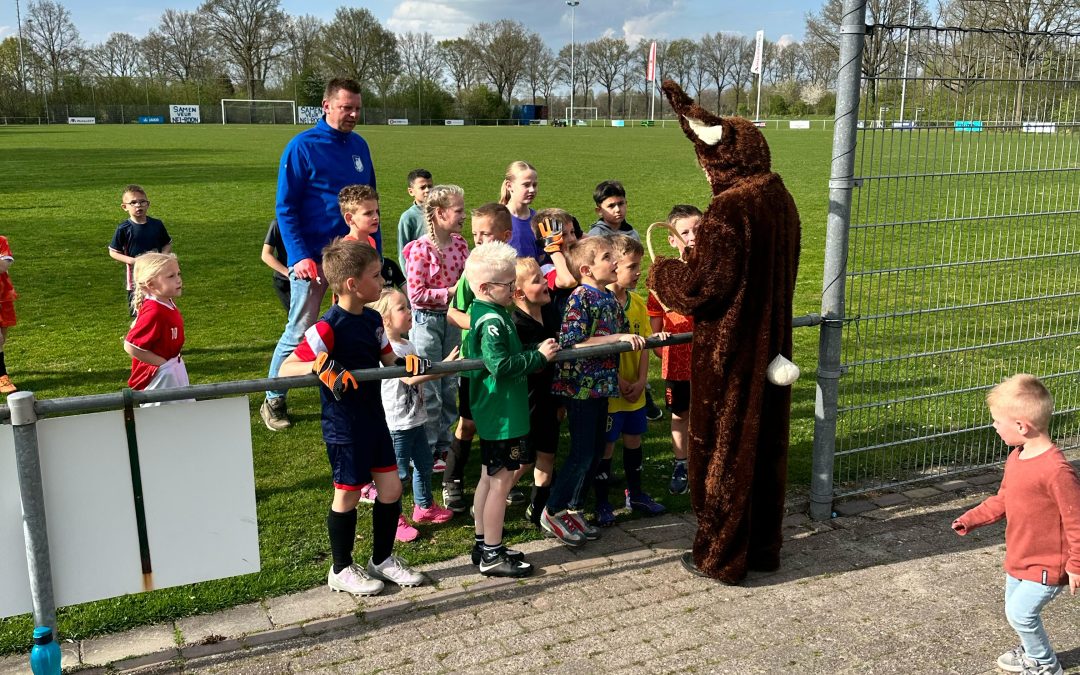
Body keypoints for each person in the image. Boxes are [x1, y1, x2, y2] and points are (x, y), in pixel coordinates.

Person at [278, 239, 425, 596]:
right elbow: (286, 368)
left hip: (375, 419)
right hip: (344, 425)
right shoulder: (327, 327)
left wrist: (412, 363)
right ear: (352, 284)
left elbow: (389, 360)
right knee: (347, 494)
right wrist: (318, 366)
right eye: (376, 276)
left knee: (391, 489)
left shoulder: (374, 319)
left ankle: (382, 559)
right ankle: (340, 569)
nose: (383, 282)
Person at [261, 77, 377, 432]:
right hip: (312, 260)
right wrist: (298, 255)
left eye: (357, 108)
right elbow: (286, 207)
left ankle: (347, 386)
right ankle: (273, 398)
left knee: (352, 326)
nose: (353, 114)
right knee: (300, 330)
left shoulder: (359, 146)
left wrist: (375, 255)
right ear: (326, 106)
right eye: (346, 108)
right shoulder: (302, 147)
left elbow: (371, 205)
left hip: (353, 259)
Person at [952, 374, 1080, 675]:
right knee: (1015, 612)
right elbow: (1004, 498)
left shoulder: (1056, 471)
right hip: (1020, 556)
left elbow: (1076, 520)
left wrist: (1076, 564)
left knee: (1021, 614)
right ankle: (1031, 650)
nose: (994, 426)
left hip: (1048, 562)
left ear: (1022, 426)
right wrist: (970, 518)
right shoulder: (1017, 456)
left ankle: (1045, 664)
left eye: (998, 421)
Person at [542, 237, 646, 547]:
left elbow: (626, 331)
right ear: (587, 269)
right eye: (607, 257)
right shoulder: (580, 297)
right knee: (582, 452)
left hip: (602, 387)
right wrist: (616, 338)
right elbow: (572, 342)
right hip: (580, 389)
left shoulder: (609, 297)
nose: (614, 262)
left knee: (596, 450)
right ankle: (553, 510)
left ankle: (573, 508)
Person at [464, 241, 558, 576]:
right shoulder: (492, 320)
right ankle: (492, 553)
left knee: (488, 479)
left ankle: (483, 544)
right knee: (501, 483)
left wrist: (533, 348)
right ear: (485, 288)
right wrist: (538, 358)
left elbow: (507, 353)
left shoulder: (491, 312)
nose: (513, 289)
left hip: (498, 412)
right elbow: (500, 365)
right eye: (507, 284)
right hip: (502, 413)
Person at [369, 288, 458, 539]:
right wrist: (443, 369)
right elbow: (409, 379)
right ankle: (394, 519)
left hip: (416, 420)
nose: (409, 312)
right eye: (402, 308)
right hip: (397, 425)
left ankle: (424, 506)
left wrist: (441, 365)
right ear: (385, 319)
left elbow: (420, 369)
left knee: (424, 463)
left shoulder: (408, 344)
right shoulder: (388, 352)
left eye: (408, 306)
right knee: (398, 475)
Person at [443, 203, 513, 511]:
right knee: (468, 423)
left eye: (486, 234)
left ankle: (499, 481)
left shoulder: (513, 269)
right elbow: (452, 313)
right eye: (475, 234)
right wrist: (483, 323)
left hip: (506, 361)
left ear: (506, 236)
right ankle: (452, 480)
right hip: (475, 363)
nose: (479, 240)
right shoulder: (474, 272)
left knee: (501, 423)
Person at [596, 235, 667, 526]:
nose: (639, 272)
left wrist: (640, 381)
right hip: (610, 391)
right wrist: (617, 380)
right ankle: (602, 503)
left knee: (634, 440)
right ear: (614, 265)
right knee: (607, 446)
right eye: (633, 266)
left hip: (634, 391)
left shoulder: (637, 302)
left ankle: (635, 494)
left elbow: (645, 346)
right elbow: (596, 349)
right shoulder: (599, 303)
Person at [402, 185, 469, 474]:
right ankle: (425, 449)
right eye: (459, 210)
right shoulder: (421, 249)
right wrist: (450, 292)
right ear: (440, 214)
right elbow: (415, 295)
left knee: (450, 383)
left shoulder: (460, 245)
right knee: (429, 385)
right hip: (427, 322)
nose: (464, 216)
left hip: (453, 320)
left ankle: (444, 444)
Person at [647, 205, 701, 495]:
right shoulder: (664, 276)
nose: (692, 237)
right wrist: (662, 344)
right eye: (685, 232)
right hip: (678, 362)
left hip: (710, 358)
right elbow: (655, 324)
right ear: (671, 239)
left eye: (698, 230)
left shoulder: (714, 270)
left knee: (712, 411)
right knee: (681, 414)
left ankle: (708, 460)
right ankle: (681, 463)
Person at [511, 257, 562, 527]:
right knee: (522, 461)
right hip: (525, 401)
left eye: (543, 278)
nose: (545, 284)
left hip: (549, 398)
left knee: (547, 454)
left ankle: (537, 509)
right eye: (537, 281)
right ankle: (490, 500)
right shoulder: (516, 324)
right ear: (519, 293)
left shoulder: (549, 311)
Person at [123, 253, 188, 402]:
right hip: (160, 377)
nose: (178, 279)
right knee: (166, 415)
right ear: (151, 285)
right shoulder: (155, 311)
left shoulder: (166, 302)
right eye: (171, 276)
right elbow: (130, 346)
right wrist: (164, 365)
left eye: (178, 274)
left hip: (173, 368)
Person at [109, 184, 172, 315]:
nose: (138, 205)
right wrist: (133, 261)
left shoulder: (157, 224)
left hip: (157, 274)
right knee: (139, 314)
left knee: (160, 310)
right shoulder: (124, 228)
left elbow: (167, 244)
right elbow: (113, 252)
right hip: (136, 278)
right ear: (124, 207)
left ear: (148, 204)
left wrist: (162, 258)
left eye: (142, 201)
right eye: (133, 203)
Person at [499, 161, 540, 259]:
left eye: (534, 185)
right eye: (526, 185)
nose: (532, 190)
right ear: (509, 186)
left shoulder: (538, 220)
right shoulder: (498, 219)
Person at [396, 169, 433, 272]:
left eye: (430, 186)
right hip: (419, 271)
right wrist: (409, 277)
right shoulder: (408, 217)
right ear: (411, 191)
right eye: (422, 187)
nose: (427, 190)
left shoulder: (440, 212)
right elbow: (402, 252)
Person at [0, 236, 18, 394]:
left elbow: (4, 266)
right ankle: (2, 376)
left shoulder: (1, 241)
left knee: (2, 339)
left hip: (3, 296)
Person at [260, 219, 291, 312]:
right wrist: (289, 274)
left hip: (306, 280)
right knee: (297, 317)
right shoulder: (278, 224)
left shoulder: (310, 222)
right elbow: (266, 255)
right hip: (285, 281)